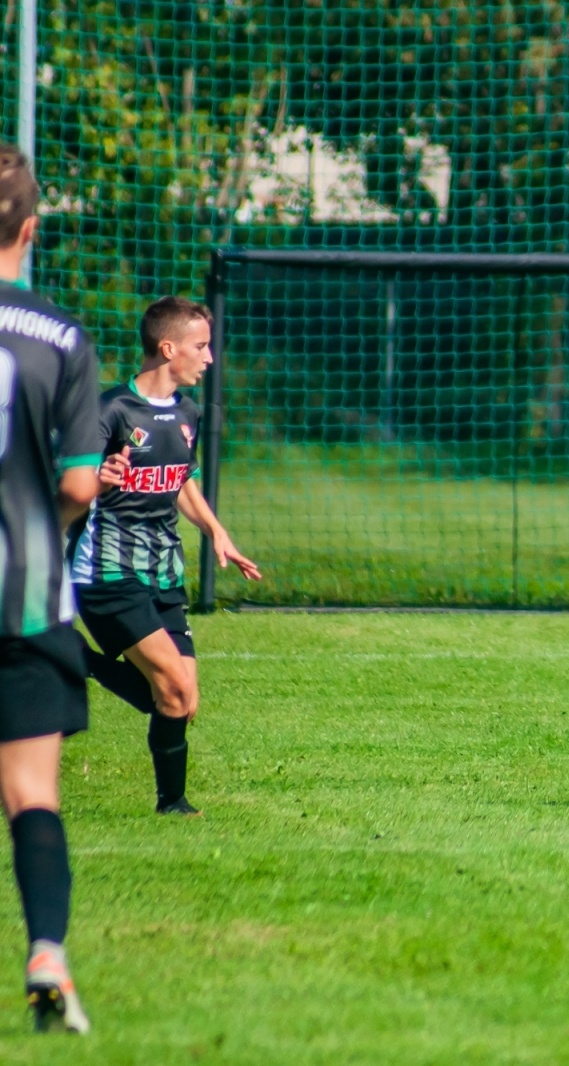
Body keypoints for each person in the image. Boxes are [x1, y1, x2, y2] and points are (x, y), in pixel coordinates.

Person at [68, 296, 260, 817]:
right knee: (171, 685)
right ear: (167, 347)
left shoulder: (187, 412)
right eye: (201, 346)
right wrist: (97, 480)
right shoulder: (110, 410)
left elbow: (182, 480)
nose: (210, 357)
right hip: (107, 572)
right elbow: (68, 482)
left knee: (181, 701)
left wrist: (217, 532)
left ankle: (170, 805)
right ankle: (76, 657)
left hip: (163, 572)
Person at [0, 146, 104, 1033]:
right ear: (30, 230)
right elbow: (77, 484)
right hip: (25, 595)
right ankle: (47, 955)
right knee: (33, 793)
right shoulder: (63, 336)